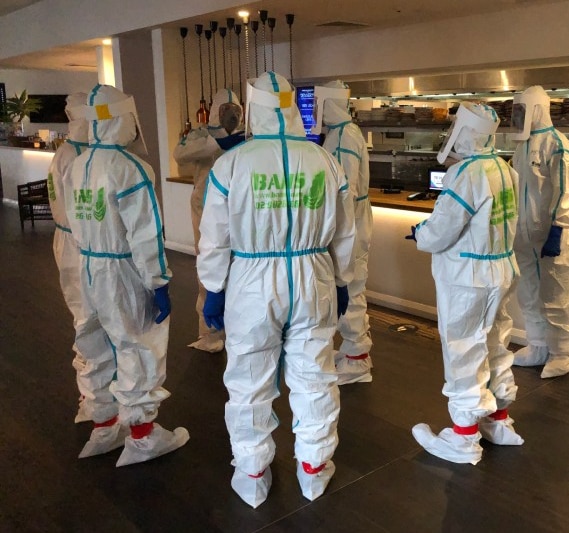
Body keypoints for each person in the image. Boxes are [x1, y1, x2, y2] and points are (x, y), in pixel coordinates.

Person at [197, 71, 355, 507]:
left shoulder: (232, 163)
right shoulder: (325, 160)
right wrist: (342, 281)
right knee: (315, 375)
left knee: (249, 378)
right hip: (314, 275)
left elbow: (215, 236)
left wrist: (214, 287)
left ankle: (252, 474)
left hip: (250, 282)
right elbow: (346, 233)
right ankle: (313, 469)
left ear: (254, 110)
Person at [64, 84, 189, 464]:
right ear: (123, 118)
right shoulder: (130, 167)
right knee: (137, 344)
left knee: (95, 343)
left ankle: (104, 425)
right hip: (122, 269)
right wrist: (159, 281)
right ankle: (143, 435)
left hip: (86, 266)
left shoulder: (77, 164)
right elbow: (145, 233)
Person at [407, 102, 522, 465]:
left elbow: (441, 230)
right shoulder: (504, 169)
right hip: (501, 271)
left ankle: (463, 437)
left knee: (464, 351)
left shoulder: (465, 174)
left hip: (467, 278)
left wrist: (419, 234)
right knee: (494, 344)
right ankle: (497, 420)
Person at [509, 85, 569, 378]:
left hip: (551, 234)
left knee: (557, 294)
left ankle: (563, 352)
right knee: (528, 292)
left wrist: (558, 229)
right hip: (522, 233)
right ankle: (537, 345)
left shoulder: (558, 145)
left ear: (537, 108)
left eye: (522, 110)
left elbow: (565, 191)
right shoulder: (521, 146)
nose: (518, 116)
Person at [173, 87, 244, 353]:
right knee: (208, 268)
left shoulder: (247, 137)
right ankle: (210, 333)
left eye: (235, 110)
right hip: (205, 210)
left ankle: (238, 329)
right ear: (215, 112)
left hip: (239, 210)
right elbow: (180, 155)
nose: (231, 116)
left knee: (240, 270)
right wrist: (214, 144)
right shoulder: (199, 135)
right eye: (226, 111)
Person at [313, 80, 374, 384]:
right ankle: (353, 350)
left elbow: (343, 191)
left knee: (350, 289)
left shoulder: (344, 137)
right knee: (349, 287)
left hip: (348, 227)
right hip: (350, 226)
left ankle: (358, 359)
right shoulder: (340, 133)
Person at [46, 92, 96, 423]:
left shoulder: (77, 154)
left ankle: (99, 394)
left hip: (81, 245)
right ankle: (91, 398)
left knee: (93, 319)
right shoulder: (71, 157)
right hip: (79, 246)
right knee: (85, 320)